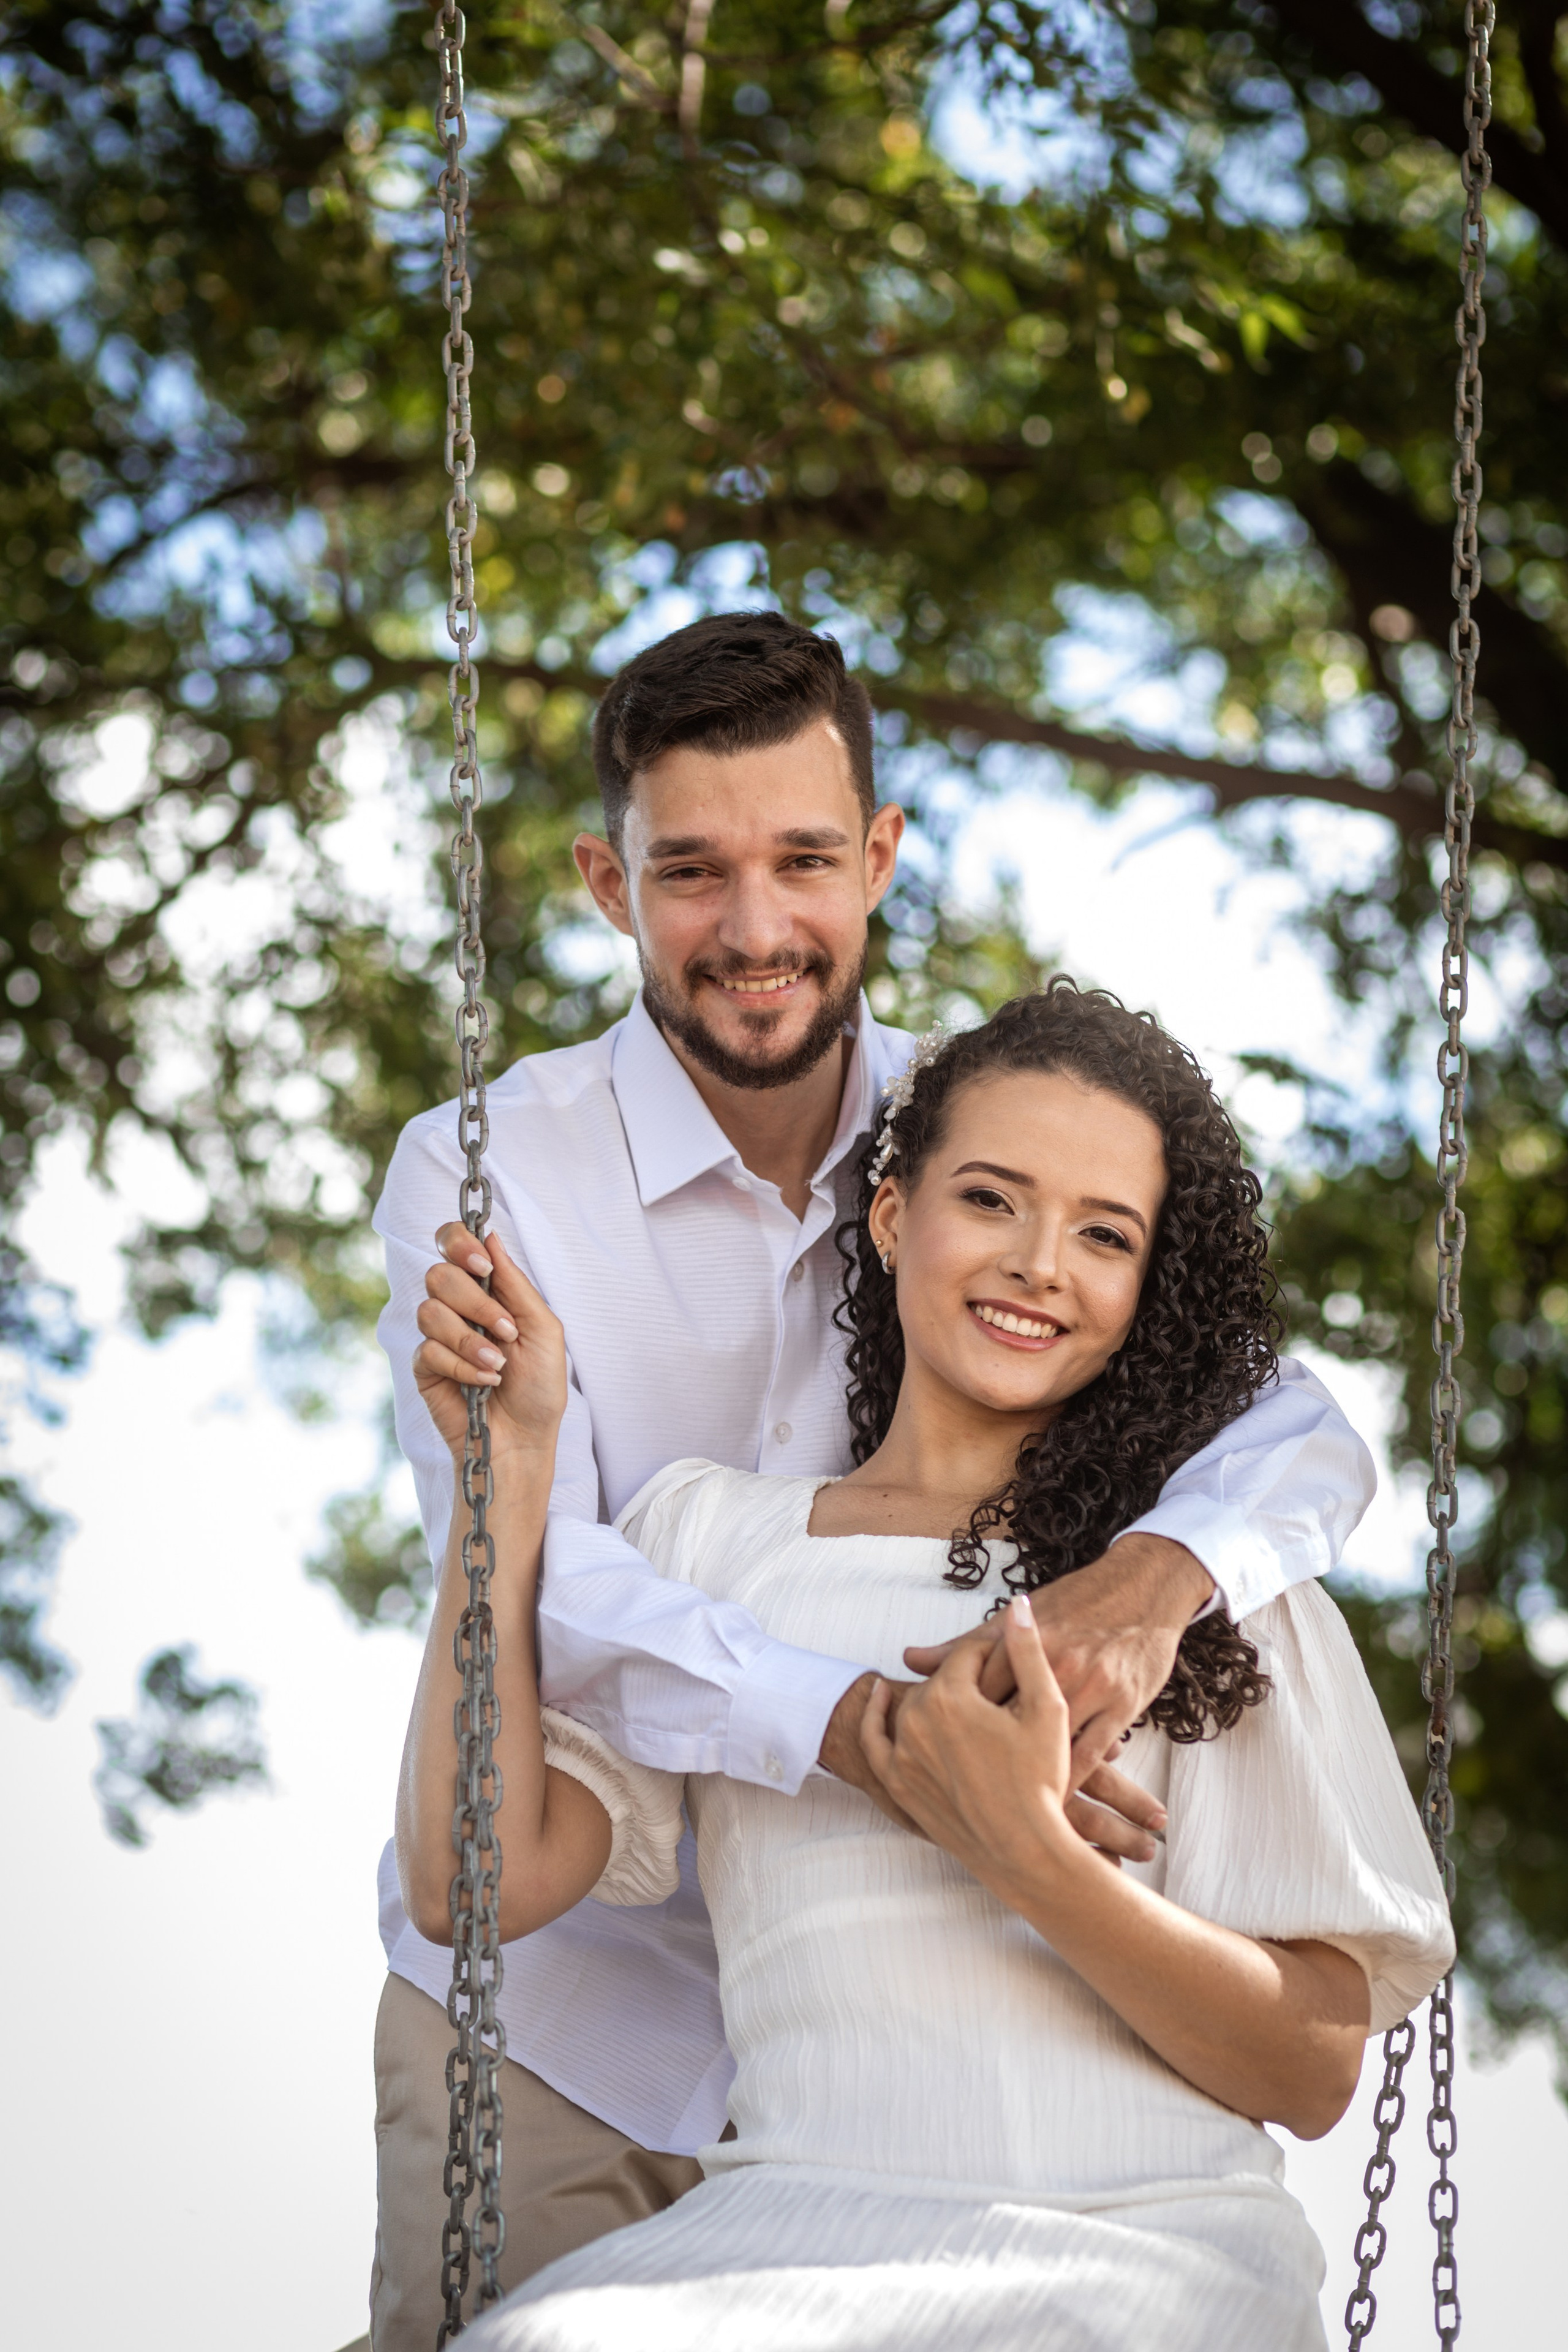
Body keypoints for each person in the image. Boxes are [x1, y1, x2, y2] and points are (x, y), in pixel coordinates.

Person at [368, 612, 1375, 2348]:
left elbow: (1293, 1421)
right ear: (612, 885)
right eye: (692, 872)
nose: (756, 930)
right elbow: (555, 1573)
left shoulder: (977, 1130)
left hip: (1037, 2129)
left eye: (806, 862)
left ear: (882, 861)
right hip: (581, 1994)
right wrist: (863, 1728)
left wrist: (1154, 1578)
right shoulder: (497, 1171)